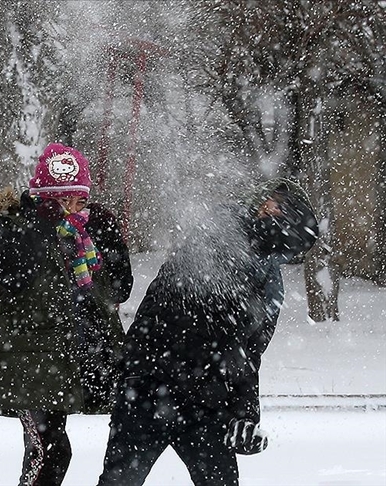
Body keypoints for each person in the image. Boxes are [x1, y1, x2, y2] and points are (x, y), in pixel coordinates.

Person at [97, 178, 319, 486]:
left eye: (281, 209)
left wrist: (246, 416)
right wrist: (132, 374)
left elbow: (248, 355)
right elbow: (163, 311)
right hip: (148, 388)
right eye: (272, 202)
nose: (271, 209)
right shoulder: (214, 232)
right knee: (119, 481)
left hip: (206, 404)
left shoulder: (270, 285)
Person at [0, 142, 134, 486]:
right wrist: (41, 229)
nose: (73, 210)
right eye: (62, 201)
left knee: (57, 451)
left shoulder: (88, 235)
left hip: (72, 354)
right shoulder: (15, 227)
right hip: (27, 358)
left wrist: (109, 243)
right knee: (48, 451)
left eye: (80, 201)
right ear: (43, 199)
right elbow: (8, 274)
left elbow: (119, 290)